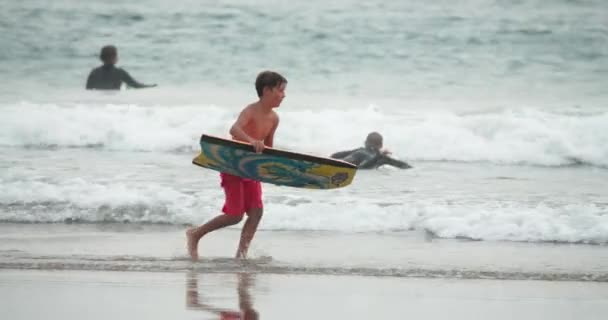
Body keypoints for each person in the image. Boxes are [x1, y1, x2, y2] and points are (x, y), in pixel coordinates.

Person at [186, 70, 287, 261]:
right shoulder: (250, 111)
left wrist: (273, 172)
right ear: (267, 90)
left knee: (256, 212)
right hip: (233, 166)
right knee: (235, 215)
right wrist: (251, 141)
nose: (284, 95)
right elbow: (234, 129)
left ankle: (241, 255)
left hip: (252, 169)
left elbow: (269, 148)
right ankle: (195, 234)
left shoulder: (274, 119)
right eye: (280, 91)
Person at [85, 45, 157, 90]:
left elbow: (88, 90)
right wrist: (151, 86)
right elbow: (136, 85)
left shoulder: (94, 72)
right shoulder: (120, 72)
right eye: (116, 56)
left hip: (99, 105)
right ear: (114, 58)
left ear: (101, 58)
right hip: (114, 105)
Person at [330, 132, 411, 169]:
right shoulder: (382, 158)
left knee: (348, 160)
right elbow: (403, 165)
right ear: (381, 145)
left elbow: (336, 155)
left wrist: (329, 157)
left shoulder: (360, 150)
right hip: (358, 167)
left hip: (343, 164)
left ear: (365, 142)